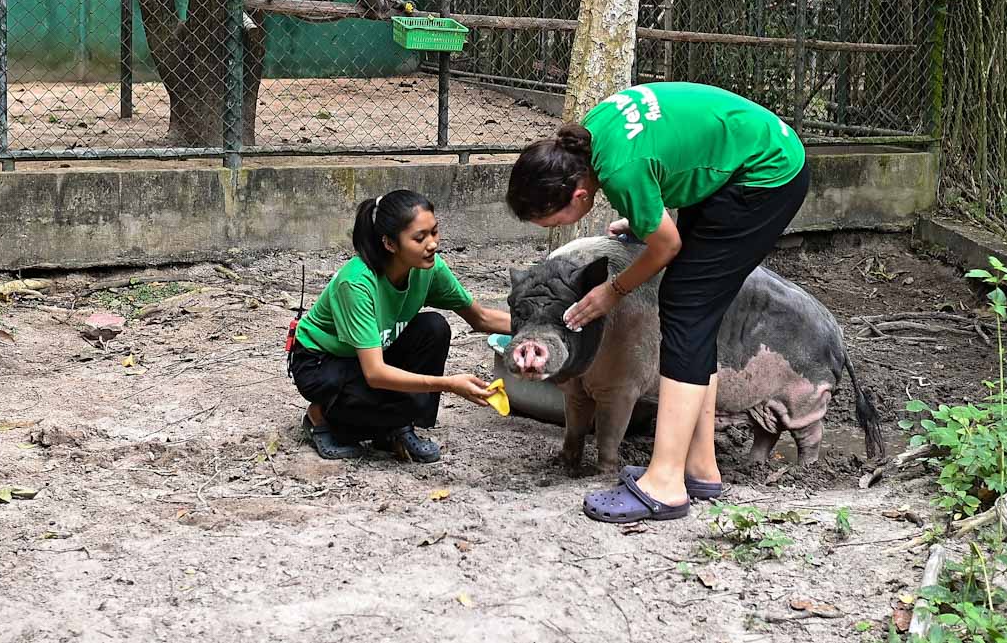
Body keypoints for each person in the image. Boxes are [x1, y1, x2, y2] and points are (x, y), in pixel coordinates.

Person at [505, 82, 807, 523]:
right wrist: (647, 216)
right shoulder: (589, 138)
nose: (547, 228)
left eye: (548, 220)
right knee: (692, 310)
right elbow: (670, 154)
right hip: (740, 158)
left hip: (764, 176)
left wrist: (614, 289)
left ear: (577, 197)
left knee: (685, 308)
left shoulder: (620, 171)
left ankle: (665, 484)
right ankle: (700, 467)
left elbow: (665, 247)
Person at [289, 189, 511, 462]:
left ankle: (395, 425)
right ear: (390, 244)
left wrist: (550, 328)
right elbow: (375, 373)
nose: (432, 244)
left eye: (434, 232)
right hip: (322, 362)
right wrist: (449, 385)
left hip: (372, 353)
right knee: (400, 397)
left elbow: (482, 318)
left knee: (433, 327)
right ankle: (321, 416)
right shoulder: (357, 283)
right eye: (419, 238)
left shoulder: (429, 268)